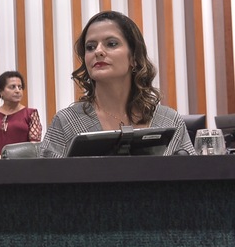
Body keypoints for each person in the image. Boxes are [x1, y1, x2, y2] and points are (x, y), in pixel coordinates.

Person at [40, 10, 195, 157]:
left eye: (111, 44)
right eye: (90, 47)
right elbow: (46, 176)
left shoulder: (169, 121)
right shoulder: (67, 122)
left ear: (134, 57)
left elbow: (193, 172)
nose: (98, 51)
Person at [0, 70, 42, 159]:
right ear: (1, 92)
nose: (17, 91)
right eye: (12, 87)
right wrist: (1, 159)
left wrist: (13, 161)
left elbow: (34, 146)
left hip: (23, 164)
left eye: (20, 87)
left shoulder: (30, 114)